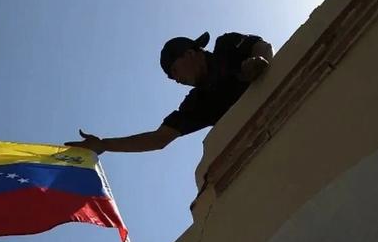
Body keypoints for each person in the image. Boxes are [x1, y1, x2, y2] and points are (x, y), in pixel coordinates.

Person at [64, 31, 273, 154]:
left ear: (189, 54)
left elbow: (261, 46)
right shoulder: (197, 103)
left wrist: (257, 64)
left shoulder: (226, 45)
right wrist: (103, 145)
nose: (176, 80)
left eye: (173, 71)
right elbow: (158, 139)